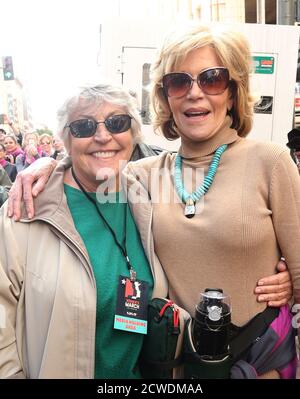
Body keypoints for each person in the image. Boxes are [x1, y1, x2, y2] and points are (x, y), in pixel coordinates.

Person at [5, 80, 293, 381]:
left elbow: (205, 238)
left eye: (117, 123)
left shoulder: (143, 191)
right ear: (65, 138)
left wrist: (272, 266)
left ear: (133, 134)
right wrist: (42, 166)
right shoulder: (27, 210)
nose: (103, 136)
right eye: (83, 127)